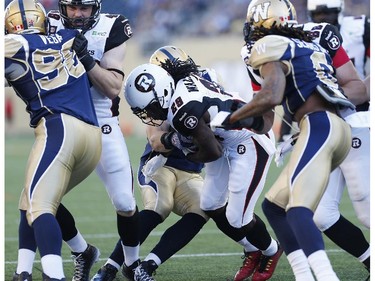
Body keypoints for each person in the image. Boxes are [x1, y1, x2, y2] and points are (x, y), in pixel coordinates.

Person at [211, 0, 355, 280]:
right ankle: (303, 274)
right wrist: (248, 120)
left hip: (318, 125)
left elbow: (272, 96)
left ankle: (326, 276)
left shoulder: (268, 45)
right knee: (273, 207)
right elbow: (266, 115)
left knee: (299, 212)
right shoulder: (305, 43)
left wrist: (230, 118)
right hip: (332, 128)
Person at [12, 0, 141, 280]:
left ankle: (132, 264)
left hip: (102, 122)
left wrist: (87, 59)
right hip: (62, 117)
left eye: (84, 9)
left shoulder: (111, 27)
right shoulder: (49, 21)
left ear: (95, 9)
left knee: (125, 203)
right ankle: (81, 250)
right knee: (37, 196)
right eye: (72, 8)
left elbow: (112, 88)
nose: (77, 14)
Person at [124, 58, 282, 280]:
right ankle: (254, 250)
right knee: (210, 204)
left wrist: (185, 147)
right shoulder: (179, 86)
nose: (148, 113)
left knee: (238, 218)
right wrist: (182, 141)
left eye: (150, 107)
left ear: (162, 94)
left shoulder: (181, 111)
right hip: (227, 139)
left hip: (249, 141)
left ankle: (271, 251)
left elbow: (212, 152)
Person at [91, 46, 211, 281]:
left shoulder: (203, 84)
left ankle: (146, 266)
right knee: (159, 205)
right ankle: (110, 267)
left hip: (191, 172)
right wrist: (180, 137)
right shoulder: (157, 92)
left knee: (204, 206)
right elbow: (156, 140)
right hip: (160, 166)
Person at [5, 0, 102, 280]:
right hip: (92, 138)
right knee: (31, 198)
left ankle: (53, 275)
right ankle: (23, 271)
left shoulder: (14, 44)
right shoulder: (70, 36)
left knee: (40, 206)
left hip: (59, 129)